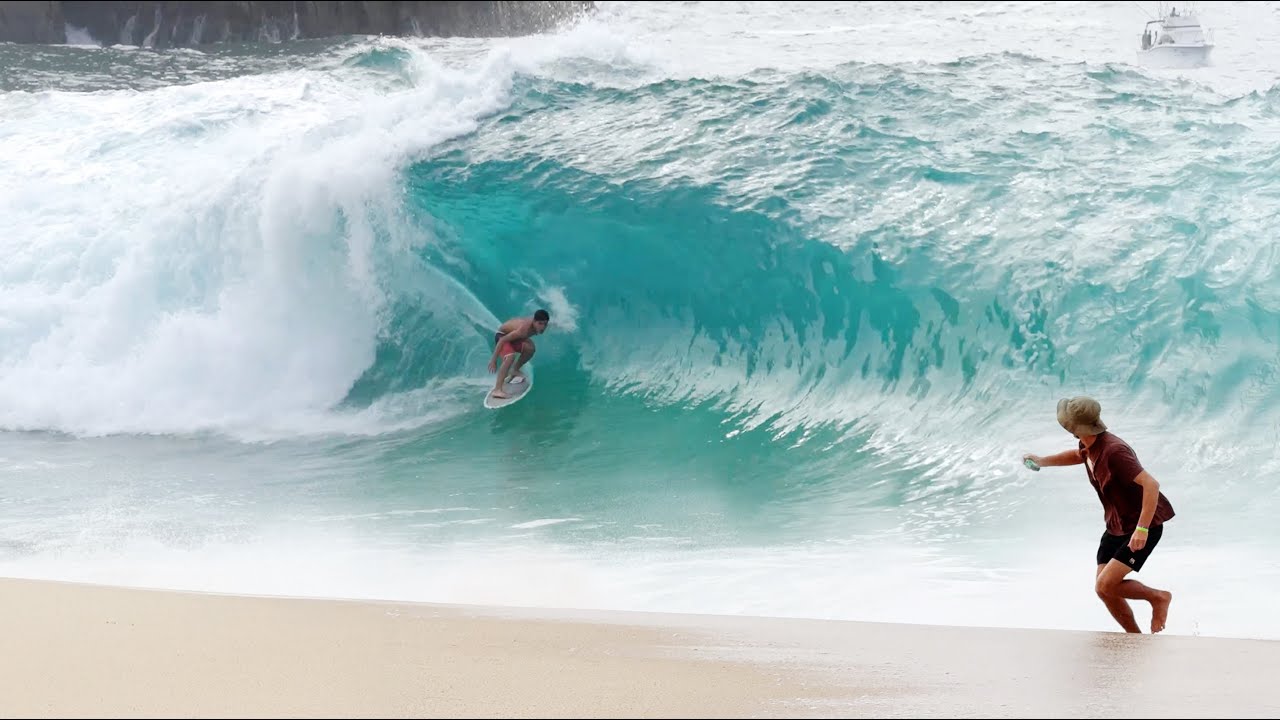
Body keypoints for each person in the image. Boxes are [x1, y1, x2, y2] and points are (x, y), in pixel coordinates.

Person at [1022, 396, 1176, 634]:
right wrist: (1042, 461)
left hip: (1143, 525)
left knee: (1106, 583)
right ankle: (1134, 637)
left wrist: (1142, 529)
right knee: (1103, 589)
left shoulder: (1115, 451)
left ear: (1075, 427)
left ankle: (1158, 598)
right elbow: (1078, 456)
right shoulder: (1088, 444)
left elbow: (1151, 485)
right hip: (1117, 524)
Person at [488, 309, 550, 399]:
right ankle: (497, 390)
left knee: (531, 348)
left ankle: (514, 370)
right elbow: (502, 340)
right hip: (502, 336)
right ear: (534, 321)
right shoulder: (524, 330)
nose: (543, 327)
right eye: (540, 323)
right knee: (510, 357)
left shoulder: (534, 325)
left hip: (514, 337)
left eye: (545, 324)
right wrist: (493, 360)